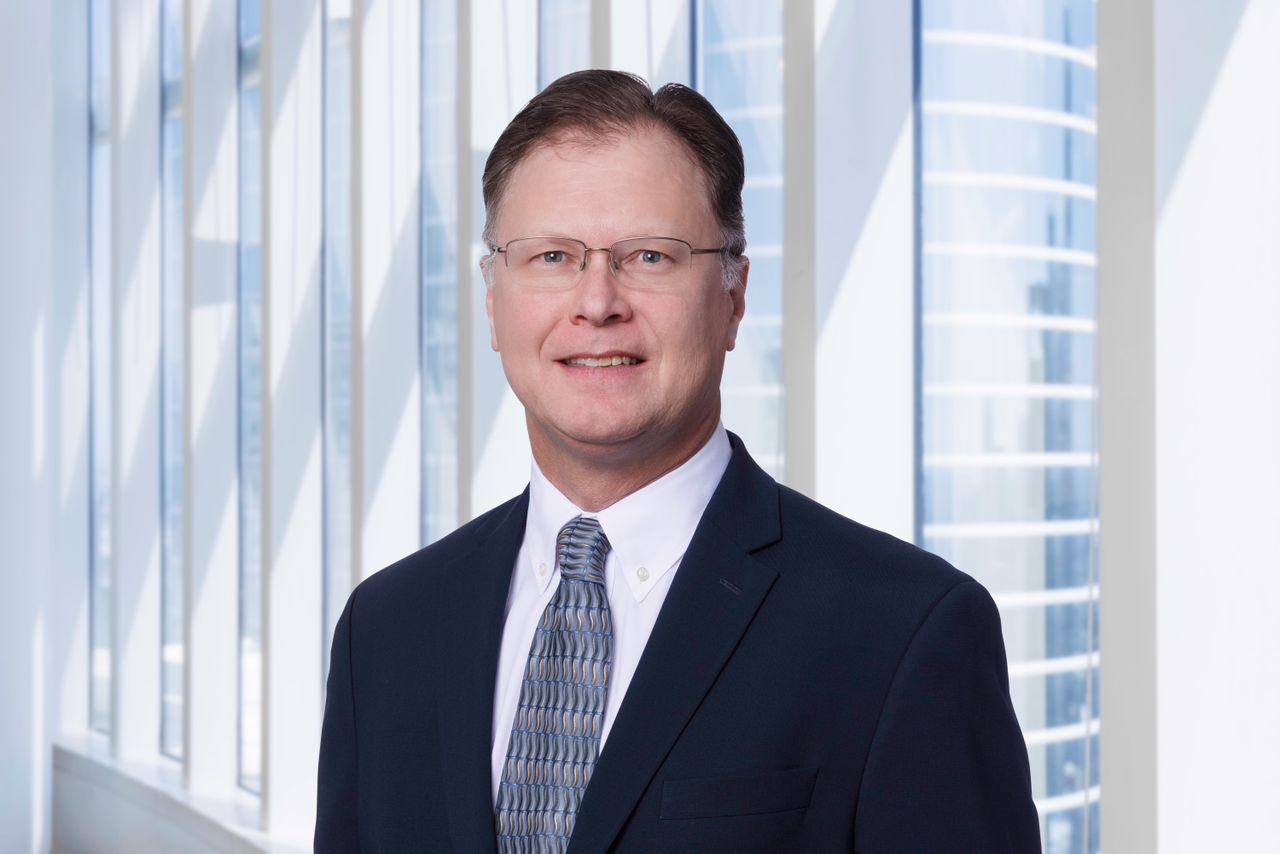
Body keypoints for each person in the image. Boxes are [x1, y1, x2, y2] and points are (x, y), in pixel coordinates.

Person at [315, 69, 1040, 853]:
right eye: (552, 256)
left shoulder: (904, 630)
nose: (597, 303)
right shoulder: (384, 633)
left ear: (734, 297)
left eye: (651, 256)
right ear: (493, 300)